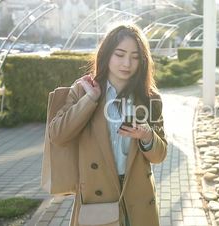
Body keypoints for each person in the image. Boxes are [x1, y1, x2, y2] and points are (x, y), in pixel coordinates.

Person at [49, 23, 167, 226]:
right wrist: (90, 100)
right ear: (106, 54)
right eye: (120, 54)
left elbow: (159, 155)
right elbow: (58, 135)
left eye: (135, 56)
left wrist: (148, 137)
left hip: (138, 199)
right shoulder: (84, 90)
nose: (127, 63)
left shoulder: (149, 98)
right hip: (97, 199)